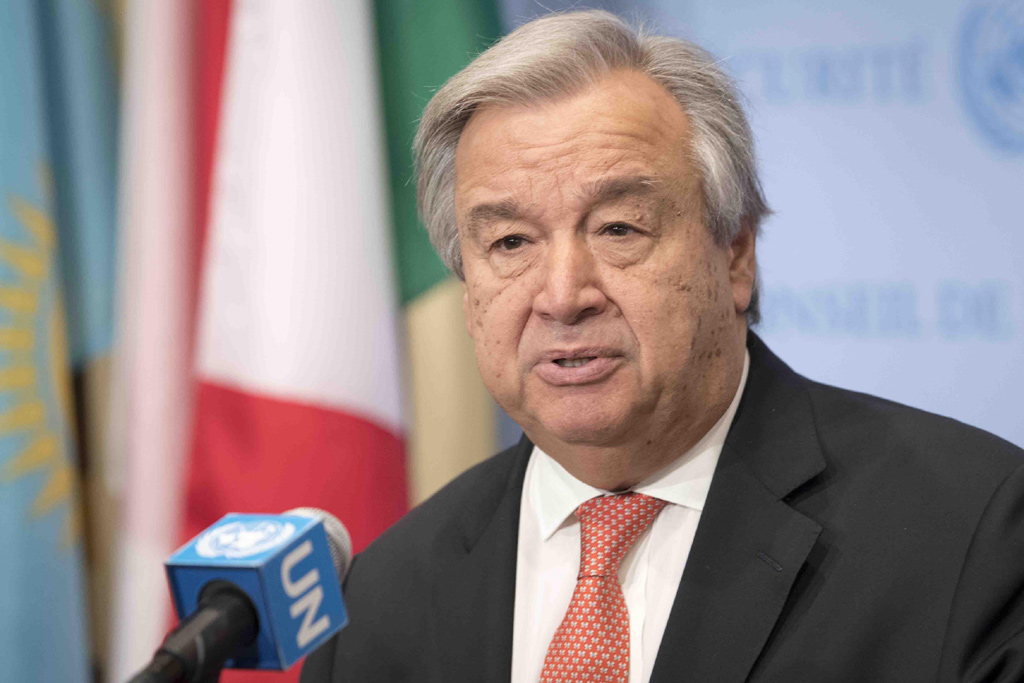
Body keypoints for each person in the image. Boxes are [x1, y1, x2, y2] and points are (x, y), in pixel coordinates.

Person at [302, 10, 1024, 683]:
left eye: (619, 228)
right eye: (510, 242)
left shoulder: (972, 533)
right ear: (467, 287)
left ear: (735, 253)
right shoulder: (377, 605)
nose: (562, 294)